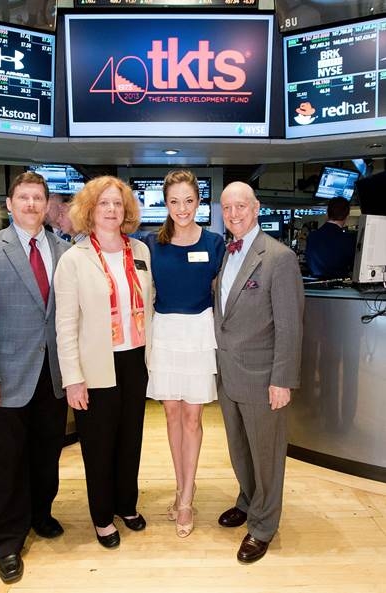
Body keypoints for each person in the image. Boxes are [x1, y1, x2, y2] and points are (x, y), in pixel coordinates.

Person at [0, 172, 69, 583]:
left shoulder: (63, 249)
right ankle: (6, 541)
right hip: (4, 377)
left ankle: (40, 514)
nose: (31, 204)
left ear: (46, 205)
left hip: (52, 375)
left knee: (46, 454)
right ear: (10, 204)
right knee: (6, 462)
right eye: (23, 197)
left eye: (37, 198)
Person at [54, 175, 153, 549]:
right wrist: (73, 379)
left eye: (117, 203)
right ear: (90, 210)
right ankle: (101, 516)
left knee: (131, 439)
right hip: (95, 366)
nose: (112, 210)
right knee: (98, 444)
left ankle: (126, 504)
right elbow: (65, 325)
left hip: (134, 361)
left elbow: (151, 307)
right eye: (104, 203)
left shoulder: (140, 252)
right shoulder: (74, 260)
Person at [214, 181, 304, 564]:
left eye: (241, 207)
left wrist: (282, 379)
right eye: (227, 208)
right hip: (229, 374)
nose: (234, 214)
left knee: (265, 455)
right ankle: (248, 501)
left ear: (256, 208)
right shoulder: (225, 251)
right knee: (240, 450)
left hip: (263, 375)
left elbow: (289, 325)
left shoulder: (278, 258)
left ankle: (264, 525)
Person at [144, 169, 225, 538]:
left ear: (199, 202)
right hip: (164, 333)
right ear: (166, 203)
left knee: (193, 418)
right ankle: (179, 488)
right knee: (172, 416)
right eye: (174, 201)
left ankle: (188, 497)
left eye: (188, 201)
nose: (182, 208)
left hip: (198, 333)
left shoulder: (215, 243)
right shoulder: (150, 244)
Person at [305, 197, 357, 279]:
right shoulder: (349, 239)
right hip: (340, 288)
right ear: (347, 216)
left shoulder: (312, 236)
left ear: (327, 214)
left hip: (314, 288)